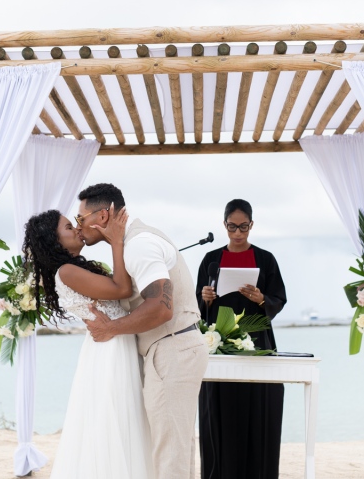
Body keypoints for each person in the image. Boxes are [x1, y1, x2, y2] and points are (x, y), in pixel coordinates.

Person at [79, 183, 208, 479]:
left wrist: (110, 328)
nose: (79, 226)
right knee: (178, 449)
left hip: (172, 349)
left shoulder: (139, 244)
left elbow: (162, 307)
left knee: (170, 454)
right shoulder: (131, 243)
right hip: (175, 348)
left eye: (80, 218)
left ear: (103, 215)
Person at [22, 206, 155, 479]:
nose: (78, 229)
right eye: (69, 227)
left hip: (110, 344)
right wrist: (117, 241)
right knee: (115, 420)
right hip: (111, 349)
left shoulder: (71, 269)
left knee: (116, 421)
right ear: (54, 241)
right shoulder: (67, 272)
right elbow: (122, 289)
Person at [195, 198, 287, 479]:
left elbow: (278, 298)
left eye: (243, 227)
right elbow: (198, 306)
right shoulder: (211, 259)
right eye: (232, 227)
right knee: (219, 410)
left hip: (256, 340)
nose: (237, 233)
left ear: (251, 225)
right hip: (220, 342)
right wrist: (205, 298)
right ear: (224, 225)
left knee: (259, 407)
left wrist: (262, 298)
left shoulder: (265, 258)